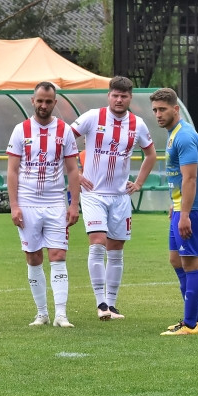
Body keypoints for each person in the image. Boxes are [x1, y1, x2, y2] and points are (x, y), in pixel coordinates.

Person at [70, 75, 157, 320]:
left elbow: (150, 155)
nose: (119, 100)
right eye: (115, 95)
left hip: (120, 196)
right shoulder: (91, 117)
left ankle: (112, 304)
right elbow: (65, 140)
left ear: (130, 98)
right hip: (94, 194)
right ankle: (100, 304)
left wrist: (138, 182)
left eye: (124, 96)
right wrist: (75, 171)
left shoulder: (137, 124)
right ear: (108, 95)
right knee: (98, 242)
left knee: (116, 249)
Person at [7, 82, 81, 328]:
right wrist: (14, 205)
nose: (44, 105)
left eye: (48, 101)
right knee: (33, 257)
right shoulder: (21, 130)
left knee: (58, 255)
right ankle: (42, 313)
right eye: (40, 100)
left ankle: (61, 314)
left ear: (55, 103)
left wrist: (74, 204)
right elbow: (13, 170)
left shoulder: (65, 131)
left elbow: (72, 169)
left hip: (55, 203)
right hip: (27, 203)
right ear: (33, 100)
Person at [153, 88, 198, 336]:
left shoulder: (185, 136)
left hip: (193, 209)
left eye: (162, 109)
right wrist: (175, 204)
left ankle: (189, 324)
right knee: (176, 260)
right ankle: (197, 318)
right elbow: (180, 179)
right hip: (181, 207)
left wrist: (186, 213)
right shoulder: (173, 134)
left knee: (190, 262)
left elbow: (190, 179)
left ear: (175, 109)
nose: (158, 114)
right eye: (155, 110)